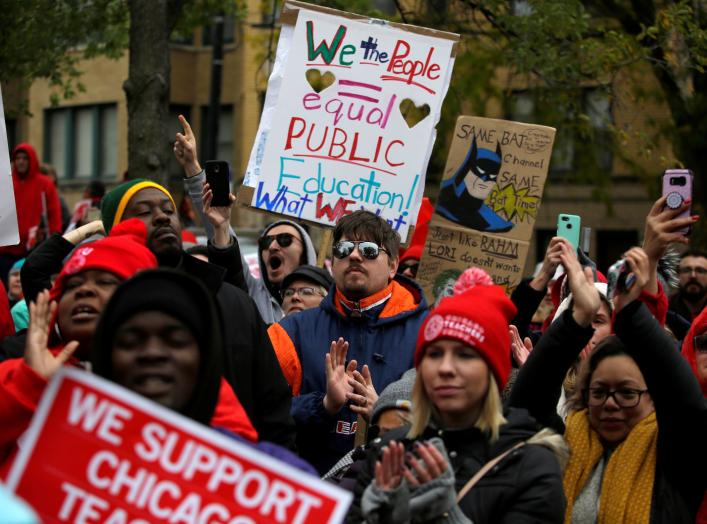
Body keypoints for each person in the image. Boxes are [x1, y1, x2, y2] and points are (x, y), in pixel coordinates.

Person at [18, 177, 296, 448]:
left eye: (168, 209)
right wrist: (89, 230)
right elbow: (34, 271)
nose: (162, 217)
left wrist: (278, 472)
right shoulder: (95, 311)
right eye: (142, 212)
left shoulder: (233, 301)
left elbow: (273, 407)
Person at [348, 269, 567, 523]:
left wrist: (449, 515)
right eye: (434, 354)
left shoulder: (533, 466)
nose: (445, 368)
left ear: (493, 370)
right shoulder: (392, 450)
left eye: (465, 355)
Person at [509, 242, 707, 522]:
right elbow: (527, 407)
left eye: (627, 393)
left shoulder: (675, 454)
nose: (611, 404)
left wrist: (629, 312)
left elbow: (686, 402)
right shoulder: (563, 444)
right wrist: (576, 320)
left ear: (653, 395)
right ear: (584, 394)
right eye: (599, 392)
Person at [268, 210, 429, 474]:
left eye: (368, 249)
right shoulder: (290, 331)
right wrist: (323, 405)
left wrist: (385, 412)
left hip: (394, 491)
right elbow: (261, 409)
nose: (354, 256)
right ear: (333, 263)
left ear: (393, 266)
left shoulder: (427, 332)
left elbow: (446, 420)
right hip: (310, 489)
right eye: (343, 249)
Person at [173, 114, 317, 324]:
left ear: (305, 252)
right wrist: (192, 167)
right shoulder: (251, 294)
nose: (273, 246)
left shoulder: (327, 301)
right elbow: (224, 242)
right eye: (266, 242)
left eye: (284, 240)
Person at [0, 144, 62, 282]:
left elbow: (54, 214)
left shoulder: (45, 184)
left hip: (34, 247)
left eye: (25, 158)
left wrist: (55, 240)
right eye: (18, 158)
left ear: (31, 160)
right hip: (5, 249)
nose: (21, 161)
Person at [435, 136, 512, 233]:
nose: (485, 180)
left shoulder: (494, 222)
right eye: (479, 172)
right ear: (465, 170)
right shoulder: (443, 204)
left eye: (492, 176)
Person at [670, 249, 707, 321]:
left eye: (700, 271)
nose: (693, 276)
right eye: (686, 270)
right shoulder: (665, 309)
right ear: (678, 275)